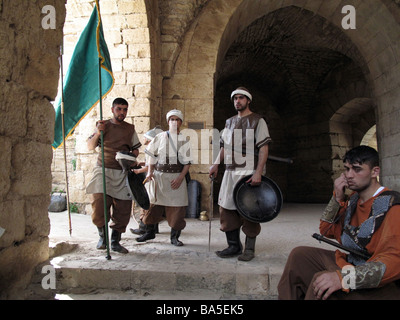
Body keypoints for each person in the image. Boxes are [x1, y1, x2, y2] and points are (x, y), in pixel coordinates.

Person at [277, 146, 400, 300]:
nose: (349, 175)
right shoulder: (354, 199)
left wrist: (343, 278)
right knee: (299, 256)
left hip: (381, 283)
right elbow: (326, 230)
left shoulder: (392, 206)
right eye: (347, 169)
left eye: (357, 169)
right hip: (351, 264)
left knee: (322, 280)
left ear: (375, 172)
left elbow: (394, 262)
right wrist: (337, 198)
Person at [209, 87, 271, 261]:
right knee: (226, 208)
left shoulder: (258, 121)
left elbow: (264, 148)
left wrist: (258, 172)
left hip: (248, 171)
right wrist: (215, 164)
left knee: (250, 209)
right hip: (230, 171)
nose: (238, 101)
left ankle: (249, 249)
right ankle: (233, 246)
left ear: (248, 100)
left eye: (241, 98)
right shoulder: (228, 122)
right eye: (235, 98)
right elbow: (224, 147)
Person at [86, 97, 141, 254]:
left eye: (124, 109)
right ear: (112, 110)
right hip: (103, 170)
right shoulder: (103, 126)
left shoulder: (130, 129)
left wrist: (130, 155)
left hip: (122, 171)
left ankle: (115, 241)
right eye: (119, 109)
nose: (122, 112)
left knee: (123, 209)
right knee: (99, 205)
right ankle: (102, 238)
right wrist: (98, 132)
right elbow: (90, 146)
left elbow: (136, 149)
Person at [136, 109, 193, 246]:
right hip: (159, 176)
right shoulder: (160, 137)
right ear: (168, 122)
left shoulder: (184, 140)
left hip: (176, 178)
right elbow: (151, 155)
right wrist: (150, 172)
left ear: (180, 122)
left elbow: (187, 163)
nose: (174, 122)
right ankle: (149, 232)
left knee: (177, 209)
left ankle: (174, 237)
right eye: (171, 119)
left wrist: (180, 178)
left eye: (177, 119)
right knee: (153, 205)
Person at [130, 126, 163, 235]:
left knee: (148, 204)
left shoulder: (151, 149)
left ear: (149, 139)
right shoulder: (155, 149)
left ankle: (144, 228)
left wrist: (138, 171)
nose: (143, 138)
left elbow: (152, 166)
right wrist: (142, 164)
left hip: (152, 179)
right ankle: (152, 228)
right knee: (152, 203)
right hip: (155, 179)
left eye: (145, 137)